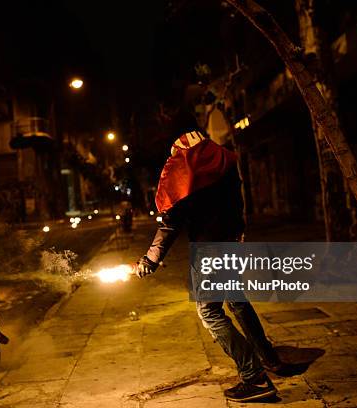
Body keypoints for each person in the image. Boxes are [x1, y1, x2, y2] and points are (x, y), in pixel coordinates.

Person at [135, 108, 282, 402]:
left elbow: (171, 220)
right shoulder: (221, 154)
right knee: (237, 302)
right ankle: (269, 359)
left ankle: (254, 377)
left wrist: (151, 258)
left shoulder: (182, 165)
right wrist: (238, 233)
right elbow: (239, 198)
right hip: (230, 240)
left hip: (208, 249)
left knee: (210, 312)